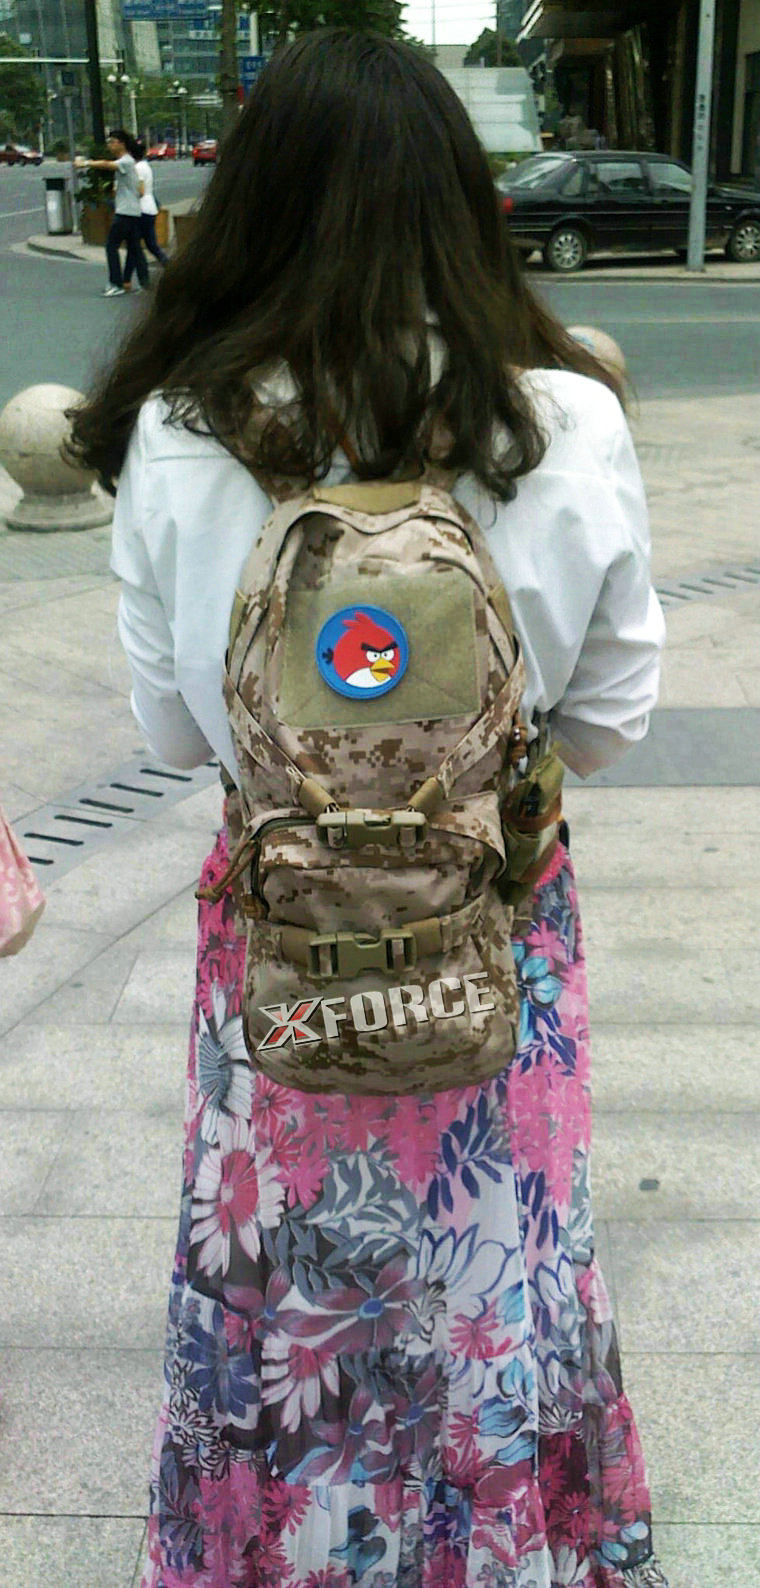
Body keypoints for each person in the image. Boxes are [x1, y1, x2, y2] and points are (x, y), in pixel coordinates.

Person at [69, 31, 668, 1588]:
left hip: (282, 946)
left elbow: (170, 730)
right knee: (496, 1274)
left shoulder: (179, 431)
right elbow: (610, 727)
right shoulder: (567, 419)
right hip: (498, 929)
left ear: (250, 211)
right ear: (464, 208)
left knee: (281, 1295)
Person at [76, 128, 149, 297]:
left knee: (111, 246)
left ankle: (116, 283)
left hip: (125, 213)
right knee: (135, 249)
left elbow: (107, 165)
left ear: (122, 144)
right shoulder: (129, 162)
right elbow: (138, 190)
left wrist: (86, 163)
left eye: (112, 142)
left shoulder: (126, 161)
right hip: (133, 211)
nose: (109, 145)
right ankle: (145, 284)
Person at [123, 137, 168, 287]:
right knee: (149, 245)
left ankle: (142, 279)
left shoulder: (137, 169)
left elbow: (140, 191)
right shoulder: (145, 166)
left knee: (135, 247)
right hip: (149, 209)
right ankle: (127, 279)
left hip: (139, 210)